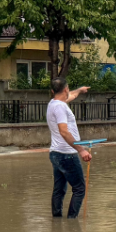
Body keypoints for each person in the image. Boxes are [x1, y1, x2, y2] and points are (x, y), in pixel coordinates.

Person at [47, 77, 91, 219]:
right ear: (65, 89)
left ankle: (57, 222)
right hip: (67, 154)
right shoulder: (60, 107)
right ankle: (72, 222)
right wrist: (81, 149)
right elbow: (64, 131)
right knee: (79, 189)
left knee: (59, 189)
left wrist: (80, 90)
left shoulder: (54, 103)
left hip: (55, 153)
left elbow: (71, 96)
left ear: (53, 91)